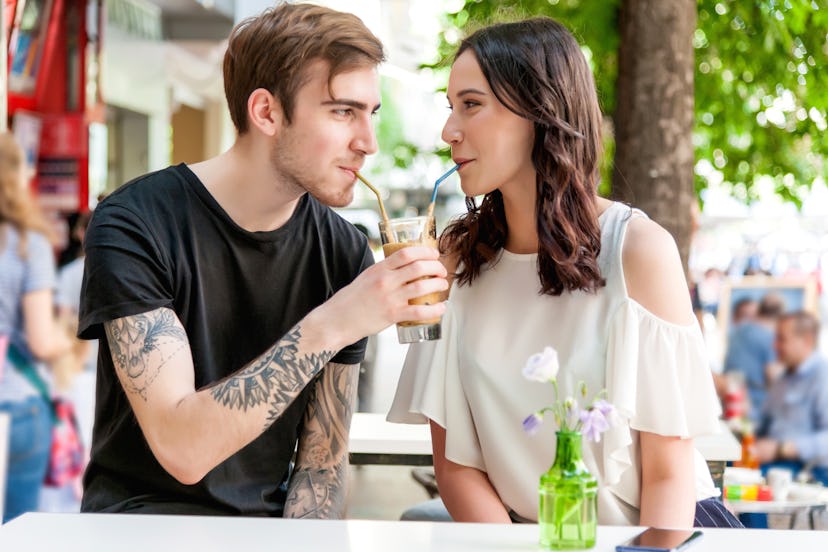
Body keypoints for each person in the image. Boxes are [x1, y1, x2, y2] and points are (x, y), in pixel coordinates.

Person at [77, 3, 447, 517]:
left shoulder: (342, 250)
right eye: (343, 111)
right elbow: (183, 449)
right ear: (267, 112)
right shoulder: (133, 222)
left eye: (371, 114)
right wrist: (340, 318)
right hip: (141, 528)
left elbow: (320, 470)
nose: (367, 142)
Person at [388, 17, 739, 528]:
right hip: (534, 539)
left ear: (539, 112)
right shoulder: (453, 261)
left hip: (660, 534)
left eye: (471, 105)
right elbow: (456, 468)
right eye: (451, 108)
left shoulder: (638, 250)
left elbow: (669, 474)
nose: (448, 132)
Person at [0, 132, 72, 522]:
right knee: (13, 534)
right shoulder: (29, 245)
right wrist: (67, 340)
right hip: (17, 405)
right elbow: (42, 341)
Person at [755, 311, 828, 486]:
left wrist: (781, 449)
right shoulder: (784, 378)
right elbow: (763, 423)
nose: (774, 346)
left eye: (782, 339)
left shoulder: (822, 376)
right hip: (773, 462)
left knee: (750, 487)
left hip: (807, 470)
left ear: (807, 341)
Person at [715, 293, 784, 422]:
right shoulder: (770, 338)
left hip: (729, 399)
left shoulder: (737, 332)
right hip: (754, 407)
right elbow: (773, 376)